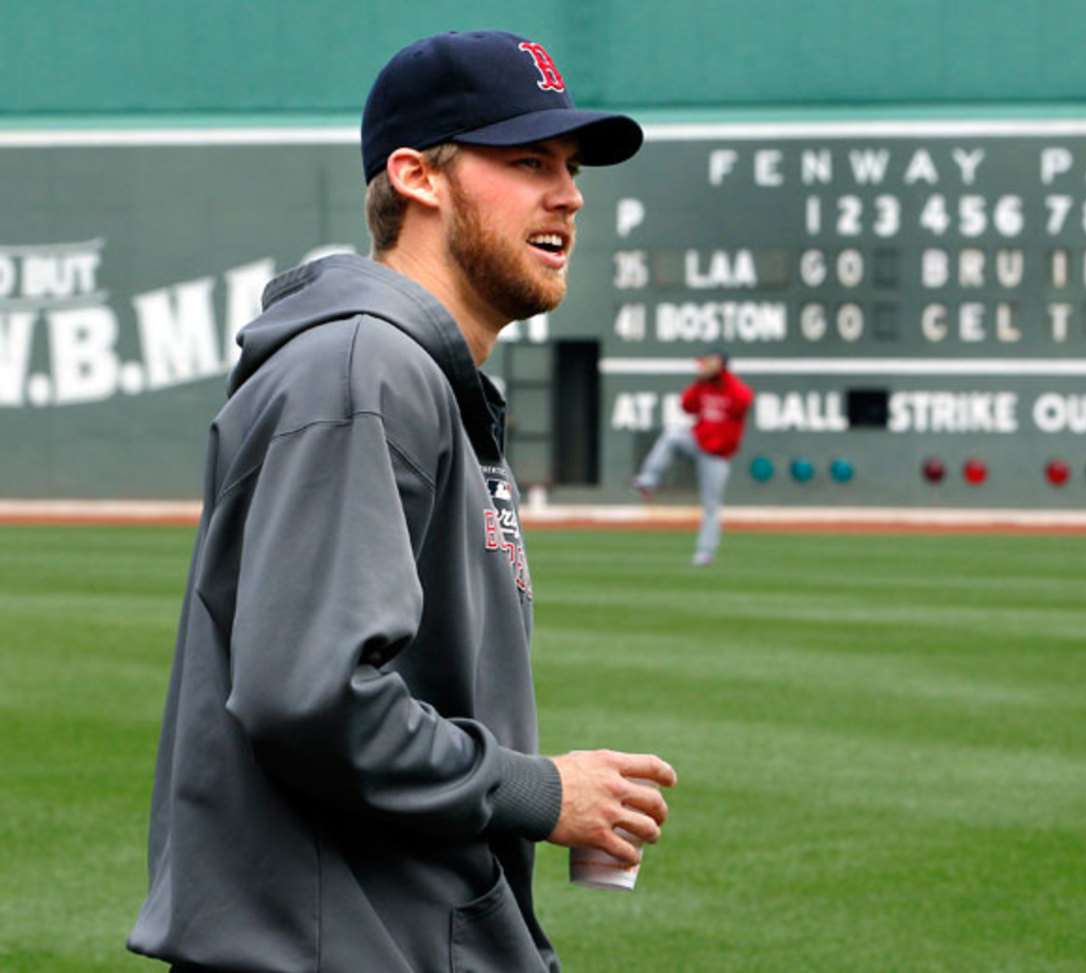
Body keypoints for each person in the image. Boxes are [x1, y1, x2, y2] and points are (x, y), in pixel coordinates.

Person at [127, 30, 676, 973]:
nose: (570, 195)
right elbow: (315, 699)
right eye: (527, 161)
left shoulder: (407, 373)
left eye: (572, 167)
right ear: (419, 176)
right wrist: (543, 792)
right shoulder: (364, 370)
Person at [632, 350, 754, 566]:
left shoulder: (735, 389)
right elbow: (686, 406)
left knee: (711, 506)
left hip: (717, 457)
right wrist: (700, 382)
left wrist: (722, 376)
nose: (702, 367)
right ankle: (648, 480)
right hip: (697, 442)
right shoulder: (703, 386)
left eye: (707, 364)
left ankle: (705, 553)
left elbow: (744, 401)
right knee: (672, 435)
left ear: (720, 365)